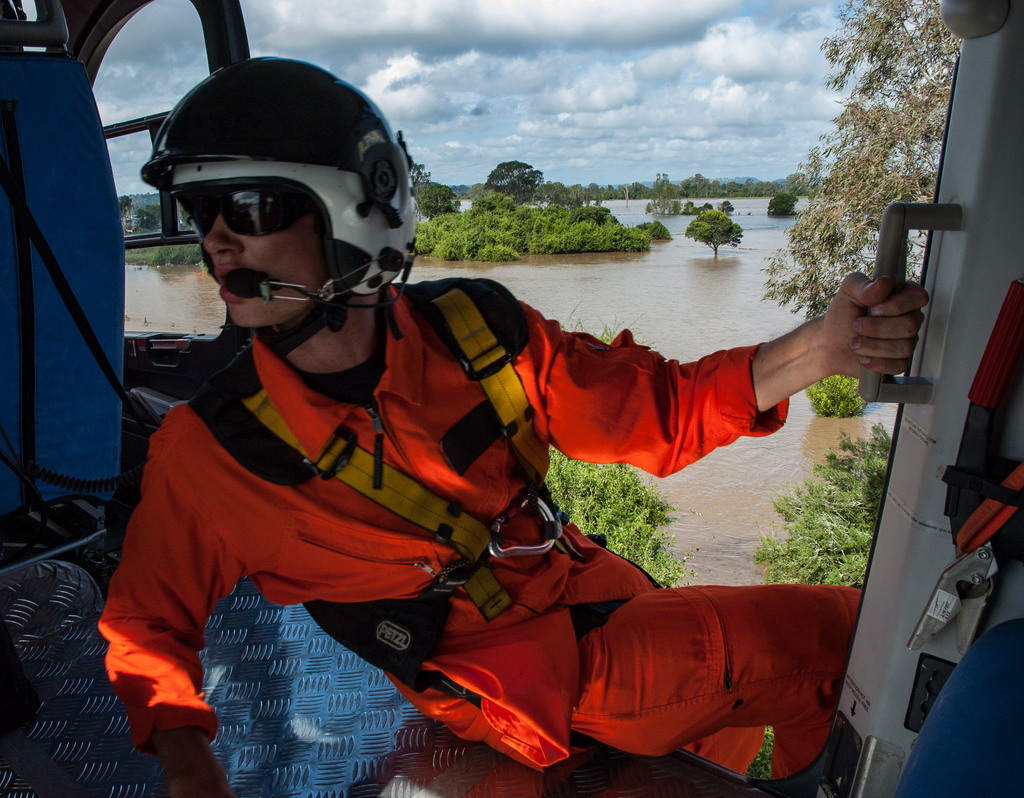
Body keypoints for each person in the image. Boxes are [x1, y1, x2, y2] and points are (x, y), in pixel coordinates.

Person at [99, 57, 929, 797]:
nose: (214, 239)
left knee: (729, 726)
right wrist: (190, 766)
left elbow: (655, 413)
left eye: (247, 206)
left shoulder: (474, 331)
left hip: (601, 595)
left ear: (358, 208)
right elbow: (146, 624)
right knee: (848, 638)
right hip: (523, 676)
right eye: (201, 208)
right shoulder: (215, 450)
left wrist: (825, 345)